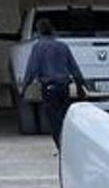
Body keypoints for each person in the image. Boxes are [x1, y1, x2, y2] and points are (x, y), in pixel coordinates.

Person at [22, 17, 87, 146]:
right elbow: (74, 68)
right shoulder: (63, 46)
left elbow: (32, 70)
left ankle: (62, 147)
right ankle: (68, 146)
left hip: (49, 88)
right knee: (64, 119)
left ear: (38, 31)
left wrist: (24, 88)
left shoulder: (38, 48)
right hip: (64, 87)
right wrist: (81, 86)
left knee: (54, 122)